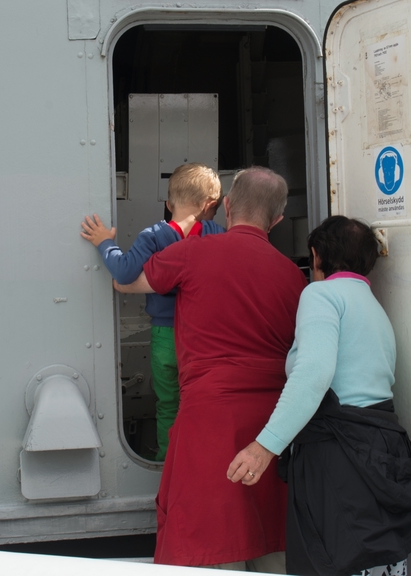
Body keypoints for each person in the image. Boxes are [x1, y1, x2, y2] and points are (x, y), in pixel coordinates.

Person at [116, 166, 306, 570]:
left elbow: (127, 282)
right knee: (271, 541)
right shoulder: (294, 278)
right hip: (275, 430)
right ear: (276, 220)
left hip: (209, 422)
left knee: (206, 547)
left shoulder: (190, 253)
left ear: (227, 207)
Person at [227, 217, 411, 576]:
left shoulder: (321, 294)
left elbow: (313, 374)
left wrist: (264, 447)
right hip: (382, 446)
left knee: (335, 561)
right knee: (377, 561)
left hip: (340, 455)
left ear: (317, 256)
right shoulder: (373, 306)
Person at [81, 162, 223, 460]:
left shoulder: (154, 236)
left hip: (165, 337)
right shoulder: (216, 234)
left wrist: (104, 242)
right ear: (210, 206)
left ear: (168, 203)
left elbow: (124, 272)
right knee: (201, 402)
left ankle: (167, 460)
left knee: (169, 404)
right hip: (205, 338)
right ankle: (203, 457)